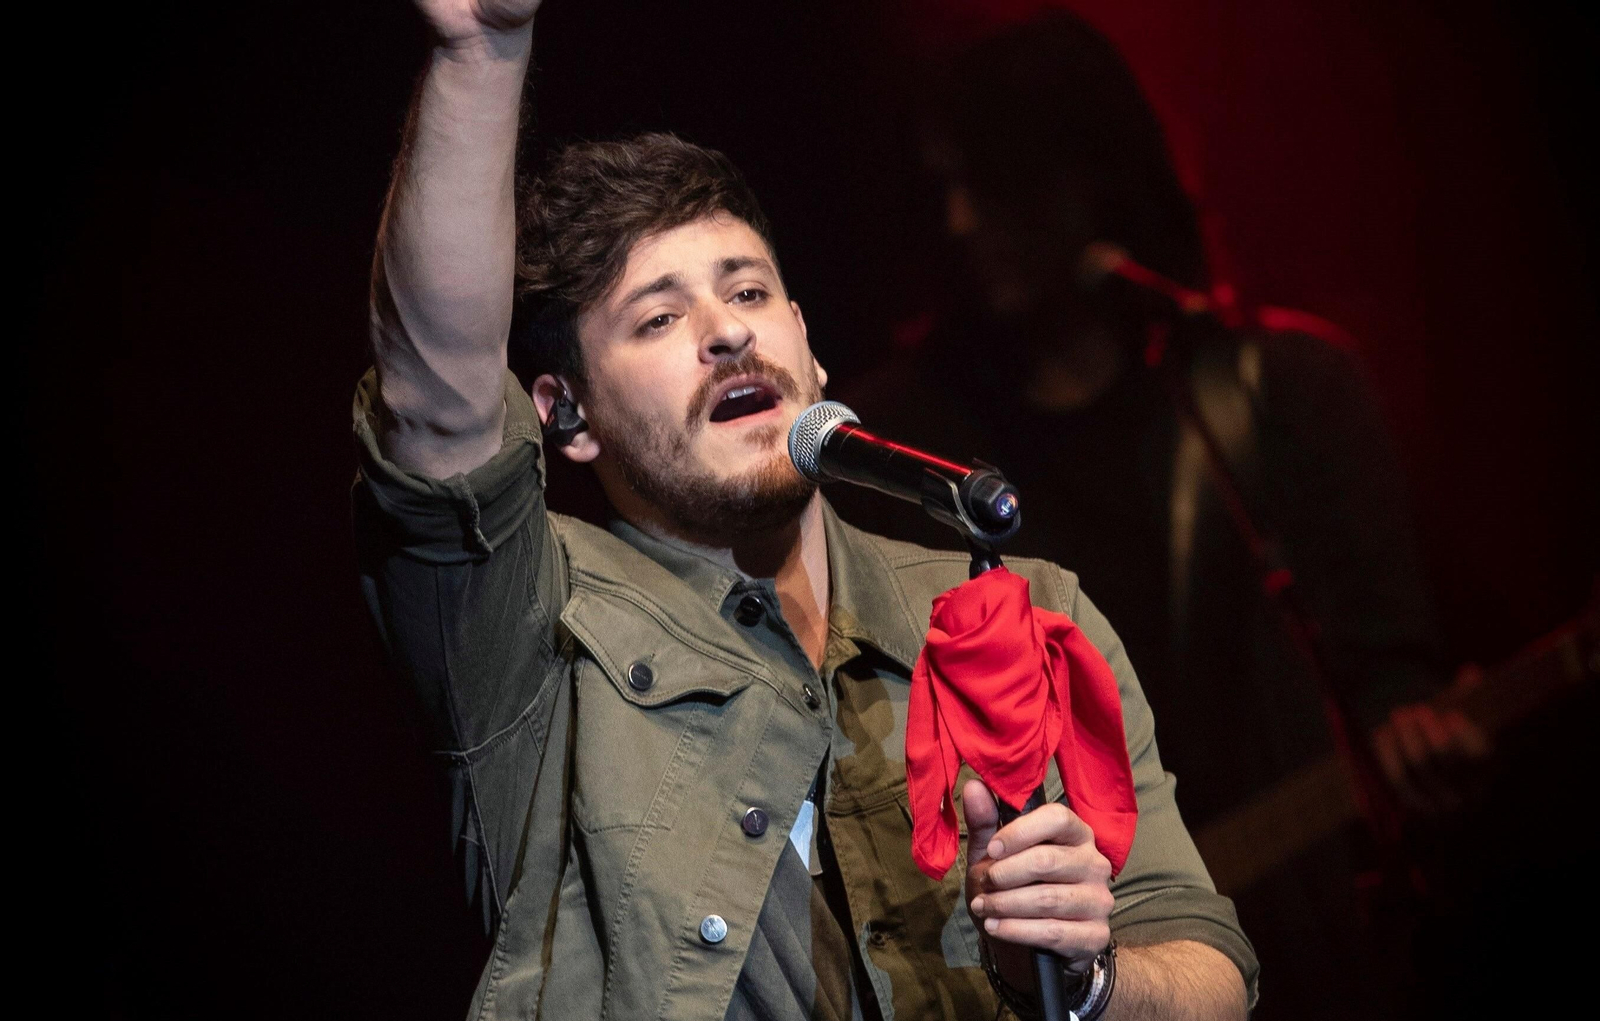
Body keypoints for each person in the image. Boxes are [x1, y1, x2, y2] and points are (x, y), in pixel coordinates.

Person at [352, 2, 1257, 1019]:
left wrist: (1084, 976)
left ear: (808, 347)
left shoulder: (1026, 616)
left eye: (746, 293)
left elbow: (1208, 970)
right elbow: (434, 412)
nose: (725, 335)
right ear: (566, 416)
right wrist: (480, 54)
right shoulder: (529, 633)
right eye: (658, 317)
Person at [832, 12, 1485, 1021]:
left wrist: (1406, 718)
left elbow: (1382, 659)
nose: (964, 221)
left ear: (1091, 176)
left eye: (998, 184)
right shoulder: (912, 447)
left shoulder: (1280, 391)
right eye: (947, 188)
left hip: (1319, 932)